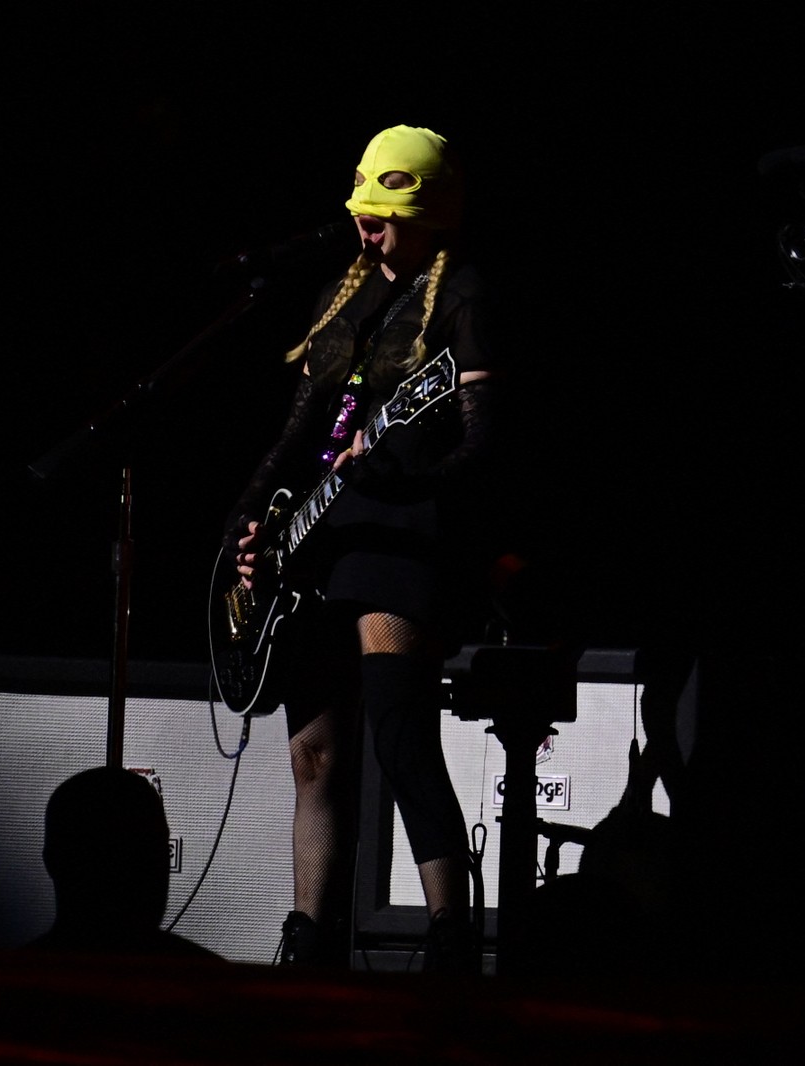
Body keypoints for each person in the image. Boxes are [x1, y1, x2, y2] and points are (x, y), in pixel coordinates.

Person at [224, 124, 502, 972]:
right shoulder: (342, 298)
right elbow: (296, 433)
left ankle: (451, 933)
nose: (368, 229)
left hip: (403, 540)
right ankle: (306, 936)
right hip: (319, 544)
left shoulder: (463, 295)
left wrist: (389, 475)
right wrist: (248, 524)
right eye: (362, 213)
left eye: (385, 215)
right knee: (313, 753)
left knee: (401, 733)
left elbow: (481, 450)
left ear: (431, 216)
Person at [30, 765, 224, 960]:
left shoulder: (11, 979)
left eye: (150, 851)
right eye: (113, 855)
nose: (141, 874)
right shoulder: (217, 981)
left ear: (52, 862)